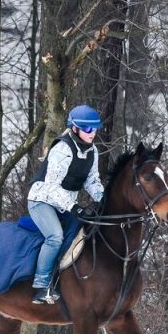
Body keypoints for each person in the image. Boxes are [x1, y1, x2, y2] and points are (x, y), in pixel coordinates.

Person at [27, 105, 105, 305]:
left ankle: (65, 282)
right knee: (55, 237)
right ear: (75, 128)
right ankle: (40, 286)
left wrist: (105, 199)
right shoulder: (62, 149)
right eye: (88, 129)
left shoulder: (92, 151)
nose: (92, 134)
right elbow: (52, 187)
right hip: (42, 200)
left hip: (64, 204)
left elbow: (92, 182)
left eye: (95, 129)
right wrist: (73, 207)